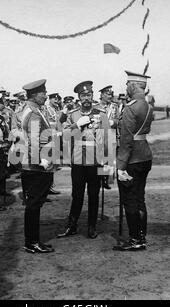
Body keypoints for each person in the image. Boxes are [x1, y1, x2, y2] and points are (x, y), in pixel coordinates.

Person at [57, 81, 110, 239]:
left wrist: (107, 167)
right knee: (77, 195)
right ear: (79, 97)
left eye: (89, 95)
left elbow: (108, 139)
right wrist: (76, 125)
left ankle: (91, 226)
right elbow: (64, 135)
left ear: (92, 96)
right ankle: (72, 226)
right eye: (83, 95)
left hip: (96, 161)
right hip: (78, 162)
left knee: (94, 195)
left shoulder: (101, 115)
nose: (86, 98)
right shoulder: (73, 115)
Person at [113, 71, 154, 252]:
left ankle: (135, 239)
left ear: (134, 85)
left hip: (132, 159)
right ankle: (141, 235)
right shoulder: (147, 105)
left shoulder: (130, 107)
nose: (126, 87)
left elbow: (126, 141)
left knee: (129, 200)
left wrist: (120, 167)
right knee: (139, 198)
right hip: (145, 155)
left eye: (128, 84)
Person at [21, 79, 56, 254]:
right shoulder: (34, 113)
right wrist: (40, 161)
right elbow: (33, 141)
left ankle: (32, 240)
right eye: (43, 92)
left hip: (32, 164)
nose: (46, 95)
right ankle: (32, 242)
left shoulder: (30, 109)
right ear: (34, 95)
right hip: (36, 166)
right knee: (34, 205)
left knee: (33, 204)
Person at [99, 85, 119, 190]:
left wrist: (113, 122)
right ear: (101, 95)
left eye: (110, 94)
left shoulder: (114, 106)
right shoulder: (97, 106)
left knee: (109, 158)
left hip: (111, 133)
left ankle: (106, 178)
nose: (109, 96)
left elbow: (117, 120)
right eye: (107, 94)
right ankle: (101, 178)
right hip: (100, 134)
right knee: (101, 158)